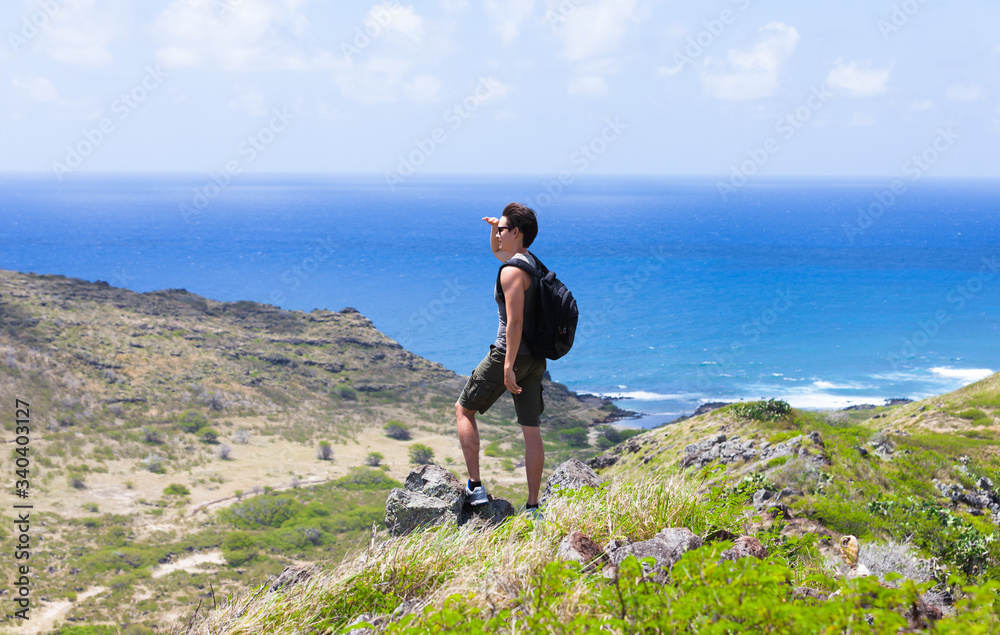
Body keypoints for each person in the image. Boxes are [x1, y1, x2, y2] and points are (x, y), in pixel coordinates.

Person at [456, 202, 546, 516]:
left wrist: (507, 366)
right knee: (531, 429)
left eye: (504, 229)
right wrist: (495, 230)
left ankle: (475, 487)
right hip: (536, 359)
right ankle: (533, 506)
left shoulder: (510, 273)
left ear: (516, 232)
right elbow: (498, 252)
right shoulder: (530, 263)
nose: (499, 235)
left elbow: (515, 321)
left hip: (510, 354)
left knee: (464, 410)